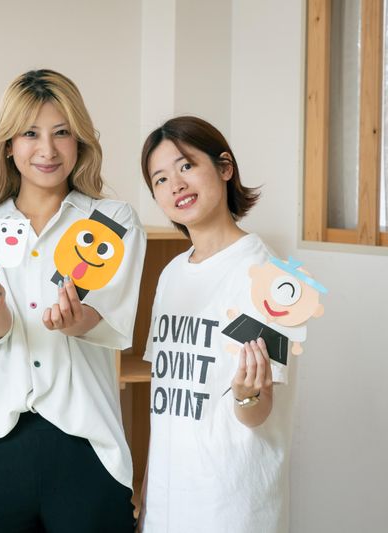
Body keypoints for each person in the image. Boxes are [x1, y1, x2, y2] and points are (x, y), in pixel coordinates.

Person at [0, 69, 145, 532]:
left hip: (90, 445)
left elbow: (112, 319)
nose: (47, 150)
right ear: (8, 145)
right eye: (30, 134)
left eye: (62, 133)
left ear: (80, 140)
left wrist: (77, 321)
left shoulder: (112, 222)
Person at [138, 116, 297, 532]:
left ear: (225, 167)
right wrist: (148, 502)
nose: (175, 185)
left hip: (230, 508)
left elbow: (259, 412)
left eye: (186, 166)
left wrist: (246, 396)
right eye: (160, 179)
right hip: (166, 507)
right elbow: (167, 401)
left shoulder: (273, 279)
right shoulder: (170, 274)